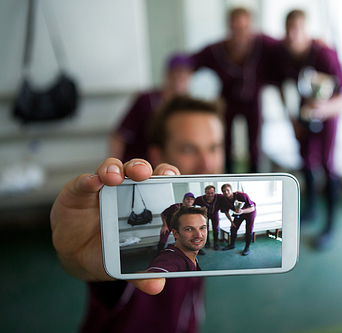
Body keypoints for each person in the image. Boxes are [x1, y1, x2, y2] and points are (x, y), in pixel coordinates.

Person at [51, 96, 224, 333]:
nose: (207, 163)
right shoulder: (150, 231)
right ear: (157, 154)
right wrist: (78, 262)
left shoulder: (198, 215)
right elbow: (101, 278)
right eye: (188, 149)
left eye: (214, 147)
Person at [273, 10, 342, 250]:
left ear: (306, 30)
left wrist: (320, 110)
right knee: (305, 162)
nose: (293, 35)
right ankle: (311, 210)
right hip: (304, 114)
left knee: (326, 165)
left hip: (327, 116)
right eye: (289, 29)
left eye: (298, 29)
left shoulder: (324, 54)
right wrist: (292, 118)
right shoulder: (284, 55)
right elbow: (282, 85)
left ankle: (330, 226)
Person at [190, 7, 280, 173]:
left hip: (253, 102)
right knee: (225, 143)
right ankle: (226, 181)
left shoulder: (263, 44)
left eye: (245, 28)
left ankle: (255, 179)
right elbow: (189, 61)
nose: (241, 34)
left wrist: (314, 42)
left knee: (254, 146)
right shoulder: (216, 50)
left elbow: (287, 47)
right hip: (227, 102)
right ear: (229, 27)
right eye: (236, 28)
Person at [109, 53, 194, 162]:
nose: (180, 77)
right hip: (137, 167)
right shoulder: (146, 100)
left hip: (169, 169)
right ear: (167, 74)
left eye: (185, 73)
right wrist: (115, 165)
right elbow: (119, 136)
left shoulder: (189, 107)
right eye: (176, 72)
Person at [147, 206, 208, 273]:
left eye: (202, 228)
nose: (198, 235)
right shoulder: (170, 259)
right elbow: (150, 281)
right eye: (189, 229)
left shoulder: (190, 256)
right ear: (176, 233)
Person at [219, 183, 256, 256]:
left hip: (249, 212)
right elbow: (226, 212)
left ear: (231, 190)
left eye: (227, 190)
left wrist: (243, 211)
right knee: (233, 227)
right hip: (239, 213)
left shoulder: (242, 195)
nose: (226, 192)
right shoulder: (224, 200)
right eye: (224, 191)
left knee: (249, 229)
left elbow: (252, 208)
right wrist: (231, 222)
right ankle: (231, 245)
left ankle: (247, 248)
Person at [194, 185, 224, 250]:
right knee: (205, 228)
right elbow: (192, 203)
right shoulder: (200, 199)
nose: (210, 195)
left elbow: (228, 195)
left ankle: (215, 243)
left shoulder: (219, 197)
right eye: (208, 193)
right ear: (205, 193)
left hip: (215, 214)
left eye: (212, 193)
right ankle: (207, 242)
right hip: (205, 215)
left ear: (214, 193)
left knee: (215, 228)